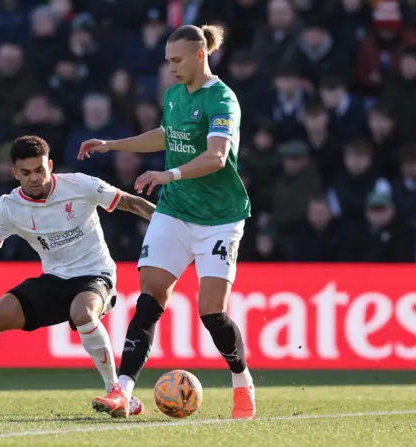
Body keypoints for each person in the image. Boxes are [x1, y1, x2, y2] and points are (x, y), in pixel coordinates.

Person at [79, 24, 256, 419]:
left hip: (219, 219)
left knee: (211, 311)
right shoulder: (174, 94)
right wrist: (111, 144)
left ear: (200, 55)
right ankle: (122, 391)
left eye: (176, 60)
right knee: (151, 293)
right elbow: (166, 135)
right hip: (175, 210)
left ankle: (242, 381)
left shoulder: (222, 99)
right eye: (166, 60)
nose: (170, 68)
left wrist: (168, 174)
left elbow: (217, 157)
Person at [0, 135, 156, 414]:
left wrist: (171, 229)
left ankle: (117, 393)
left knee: (83, 312)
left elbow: (132, 203)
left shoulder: (80, 185)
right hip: (54, 279)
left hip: (96, 274)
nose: (34, 178)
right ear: (15, 174)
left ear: (50, 166)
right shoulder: (7, 208)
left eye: (40, 170)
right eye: (26, 173)